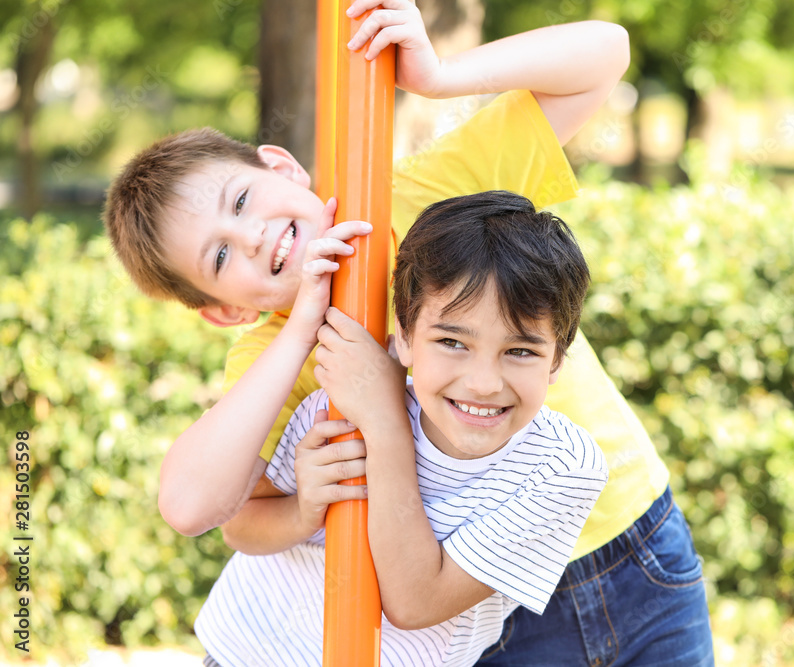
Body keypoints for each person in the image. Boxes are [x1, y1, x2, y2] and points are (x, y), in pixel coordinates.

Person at [103, 1, 714, 663]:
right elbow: (207, 509)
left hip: (629, 542)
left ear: (281, 167)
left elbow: (605, 53)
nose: (250, 237)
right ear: (226, 309)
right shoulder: (277, 354)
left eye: (242, 201)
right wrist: (301, 503)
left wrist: (441, 74)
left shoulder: (424, 193)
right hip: (480, 610)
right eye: (219, 257)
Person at [195, 190, 609, 666]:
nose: (483, 383)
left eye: (520, 351)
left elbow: (416, 601)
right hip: (241, 652)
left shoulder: (561, 466)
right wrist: (301, 510)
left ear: (556, 359)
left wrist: (386, 424)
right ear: (405, 336)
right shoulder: (336, 409)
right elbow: (240, 526)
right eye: (452, 342)